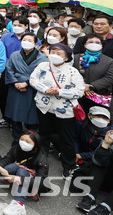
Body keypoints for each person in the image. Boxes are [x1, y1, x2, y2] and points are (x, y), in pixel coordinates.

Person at [29, 43, 85, 178]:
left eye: (58, 53)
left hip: (65, 111)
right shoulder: (42, 66)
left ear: (66, 58)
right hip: (44, 107)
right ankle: (40, 162)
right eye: (52, 51)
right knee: (43, 135)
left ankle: (68, 166)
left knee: (66, 139)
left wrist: (59, 91)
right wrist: (44, 89)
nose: (54, 55)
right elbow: (33, 79)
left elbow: (79, 91)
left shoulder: (72, 71)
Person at [0, 131, 49, 215]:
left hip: (30, 183)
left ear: (36, 144)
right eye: (22, 139)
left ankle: (19, 203)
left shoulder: (42, 158)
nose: (23, 143)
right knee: (13, 166)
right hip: (16, 177)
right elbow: (7, 159)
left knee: (22, 170)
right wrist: (0, 167)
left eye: (28, 142)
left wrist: (18, 179)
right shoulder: (17, 148)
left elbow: (40, 181)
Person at [4, 33, 48, 141]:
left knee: (32, 114)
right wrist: (15, 83)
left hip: (33, 88)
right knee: (16, 113)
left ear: (35, 43)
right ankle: (16, 138)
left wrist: (27, 83)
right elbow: (9, 69)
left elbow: (43, 74)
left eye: (30, 40)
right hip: (16, 86)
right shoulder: (15, 55)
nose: (26, 42)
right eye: (24, 39)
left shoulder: (43, 58)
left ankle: (31, 138)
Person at [74, 129, 113, 215]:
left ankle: (107, 206)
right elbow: (97, 159)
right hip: (107, 179)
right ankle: (90, 197)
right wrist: (106, 144)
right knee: (100, 161)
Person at [74, 34, 113, 113]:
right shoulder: (76, 58)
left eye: (97, 42)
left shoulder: (109, 61)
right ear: (85, 44)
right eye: (90, 42)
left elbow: (109, 78)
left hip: (99, 97)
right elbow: (71, 74)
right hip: (77, 95)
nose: (94, 44)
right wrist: (82, 87)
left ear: (102, 46)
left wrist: (91, 86)